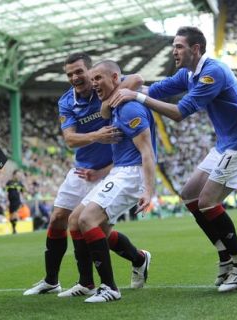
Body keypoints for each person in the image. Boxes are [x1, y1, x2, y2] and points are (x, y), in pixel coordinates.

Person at [107, 26, 237, 293]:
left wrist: (136, 96)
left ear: (196, 49)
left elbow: (180, 112)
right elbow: (155, 90)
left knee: (207, 202)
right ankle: (225, 256)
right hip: (225, 144)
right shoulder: (188, 74)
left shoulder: (212, 72)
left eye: (179, 46)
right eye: (173, 46)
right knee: (189, 195)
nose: (174, 51)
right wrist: (123, 83)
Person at [24, 53, 147, 297]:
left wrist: (108, 102)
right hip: (82, 170)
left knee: (93, 228)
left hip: (111, 169)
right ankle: (52, 280)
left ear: (90, 72)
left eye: (79, 71)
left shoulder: (105, 87)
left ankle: (137, 259)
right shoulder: (67, 101)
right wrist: (96, 136)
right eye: (69, 74)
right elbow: (70, 139)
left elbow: (137, 78)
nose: (74, 77)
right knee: (58, 217)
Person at [67, 60, 156, 303]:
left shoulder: (129, 109)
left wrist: (149, 191)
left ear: (116, 78)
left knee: (87, 219)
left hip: (132, 174)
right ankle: (93, 280)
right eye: (92, 78)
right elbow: (108, 107)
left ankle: (109, 288)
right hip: (119, 171)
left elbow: (147, 152)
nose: (94, 83)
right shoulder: (115, 106)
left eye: (99, 78)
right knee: (75, 221)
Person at [5, 169, 25, 234]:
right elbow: (6, 192)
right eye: (17, 174)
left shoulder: (20, 183)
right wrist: (6, 201)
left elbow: (23, 192)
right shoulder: (9, 182)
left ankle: (14, 229)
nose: (18, 176)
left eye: (19, 174)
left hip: (17, 201)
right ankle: (13, 228)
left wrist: (23, 199)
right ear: (14, 175)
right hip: (11, 201)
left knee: (15, 214)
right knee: (11, 216)